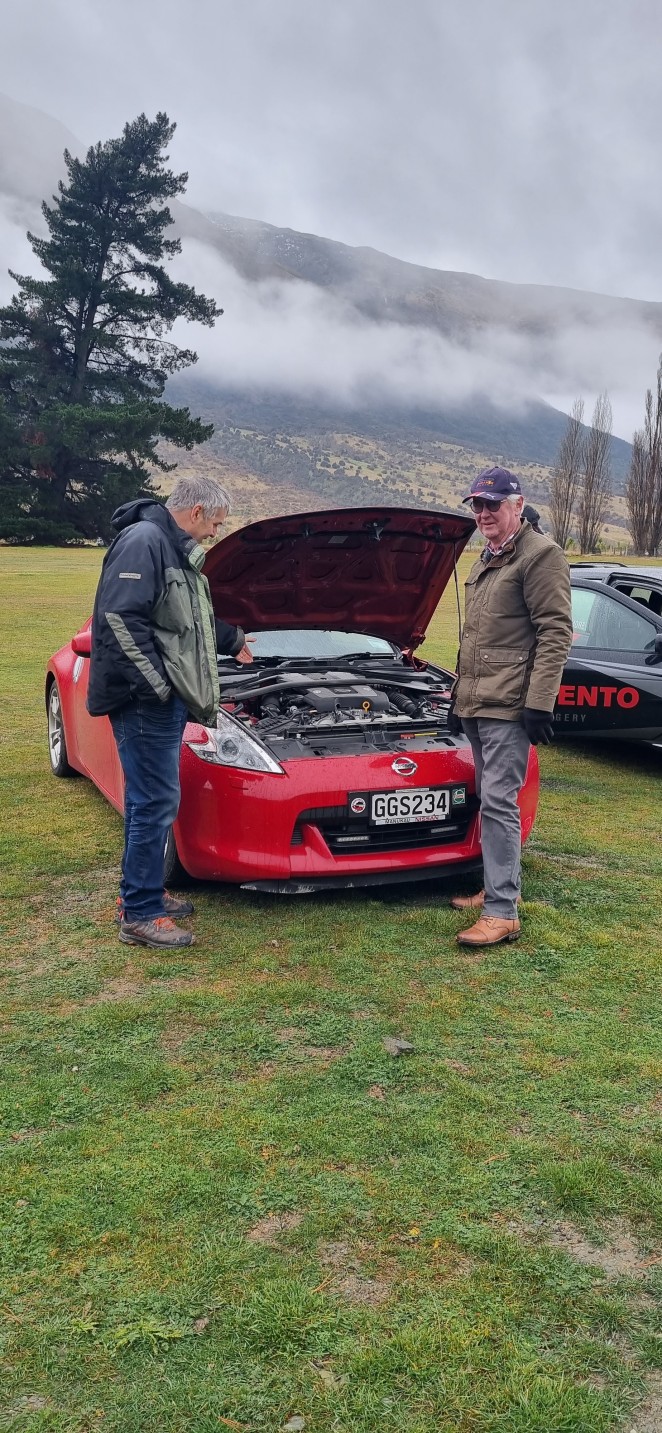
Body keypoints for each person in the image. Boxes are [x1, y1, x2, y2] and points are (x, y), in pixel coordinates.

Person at [87, 476, 253, 950]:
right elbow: (120, 619)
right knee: (153, 802)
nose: (215, 534)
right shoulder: (145, 541)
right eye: (216, 524)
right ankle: (139, 913)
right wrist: (159, 687)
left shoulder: (168, 546)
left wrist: (234, 639)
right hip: (145, 703)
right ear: (197, 511)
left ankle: (142, 894)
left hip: (159, 700)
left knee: (153, 801)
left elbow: (184, 621)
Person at [447, 466, 573, 947]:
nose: (483, 513)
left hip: (511, 707)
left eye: (492, 505)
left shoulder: (541, 556)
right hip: (479, 701)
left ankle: (502, 913)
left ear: (517, 506)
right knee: (491, 797)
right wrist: (459, 697)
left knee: (499, 803)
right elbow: (478, 638)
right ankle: (499, 889)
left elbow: (555, 632)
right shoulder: (489, 556)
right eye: (476, 505)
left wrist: (540, 704)